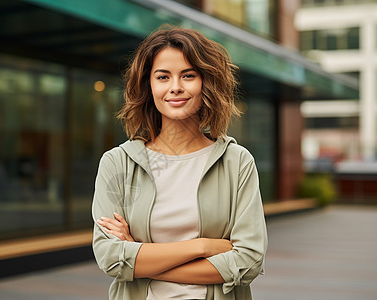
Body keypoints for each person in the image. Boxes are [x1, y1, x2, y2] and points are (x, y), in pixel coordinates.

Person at [92, 25, 267, 300]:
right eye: (163, 76)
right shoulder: (117, 164)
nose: (175, 87)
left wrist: (139, 257)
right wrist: (202, 247)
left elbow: (248, 261)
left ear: (205, 82)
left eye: (188, 75)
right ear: (149, 86)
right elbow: (111, 258)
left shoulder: (237, 162)